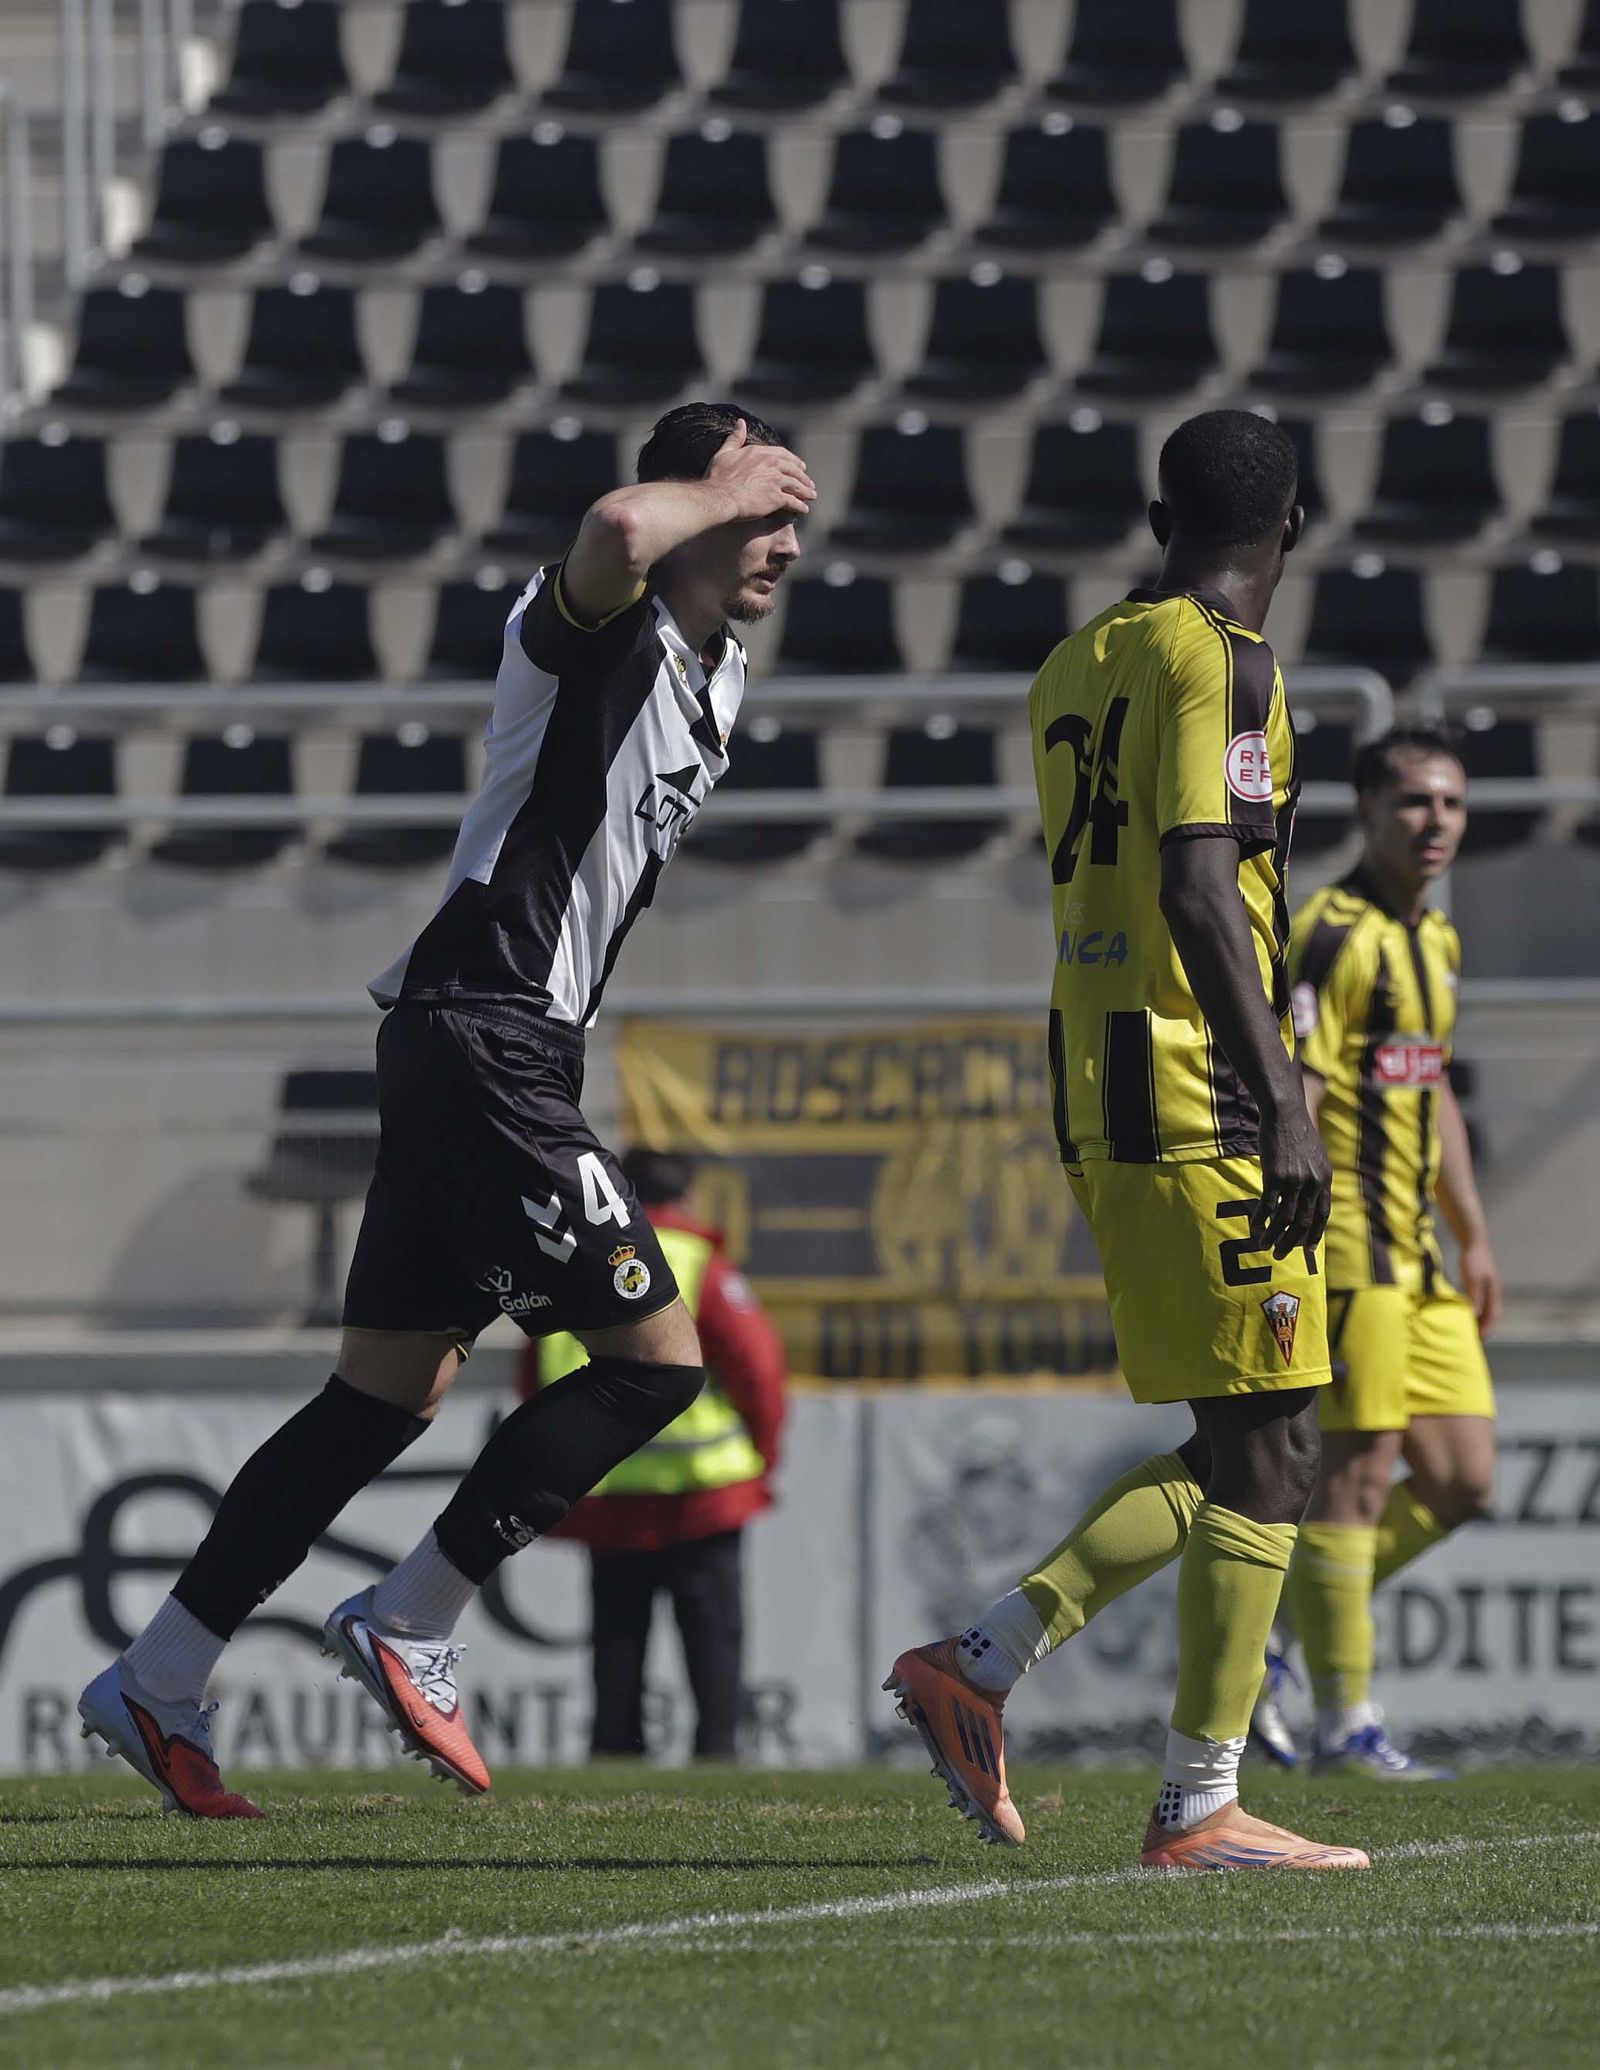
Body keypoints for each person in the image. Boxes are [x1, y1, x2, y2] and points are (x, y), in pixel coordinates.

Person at [78, 405, 815, 1816]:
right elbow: (610, 535)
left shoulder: (721, 677)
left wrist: (718, 501)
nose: (782, 542)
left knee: (383, 1394)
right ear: (693, 502)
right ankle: (415, 1609)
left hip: (482, 1045)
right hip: (489, 1032)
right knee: (658, 1363)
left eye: (792, 519)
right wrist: (697, 490)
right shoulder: (595, 627)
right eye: (760, 510)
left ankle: (160, 1672)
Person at [885, 409, 1369, 1873]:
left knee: (1252, 1435)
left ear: (1161, 513)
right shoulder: (1225, 662)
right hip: (1197, 1089)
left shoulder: (1073, 662)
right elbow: (1202, 887)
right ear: (1293, 523)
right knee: (1277, 1436)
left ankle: (981, 1661)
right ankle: (1195, 1801)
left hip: (1098, 1080)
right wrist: (1280, 1090)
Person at [1250, 725, 1498, 1778]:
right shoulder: (1331, 934)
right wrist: (1288, 1244)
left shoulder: (1434, 939)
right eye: (1412, 803)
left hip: (1424, 1259)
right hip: (1352, 1252)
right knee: (1353, 1486)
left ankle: (1284, 1639)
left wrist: (1473, 1230)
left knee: (1462, 1481)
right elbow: (1295, 1090)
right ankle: (1348, 1726)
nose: (1433, 821)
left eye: (1447, 802)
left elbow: (1428, 1085)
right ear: (1364, 811)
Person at [520, 1147, 787, 1761]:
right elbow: (759, 1370)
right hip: (702, 1491)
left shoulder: (572, 1260)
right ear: (686, 1196)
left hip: (606, 1486)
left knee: (616, 1639)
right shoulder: (702, 1265)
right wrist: (762, 1457)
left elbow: (535, 1373)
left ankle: (615, 1757)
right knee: (713, 1638)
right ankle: (717, 1756)